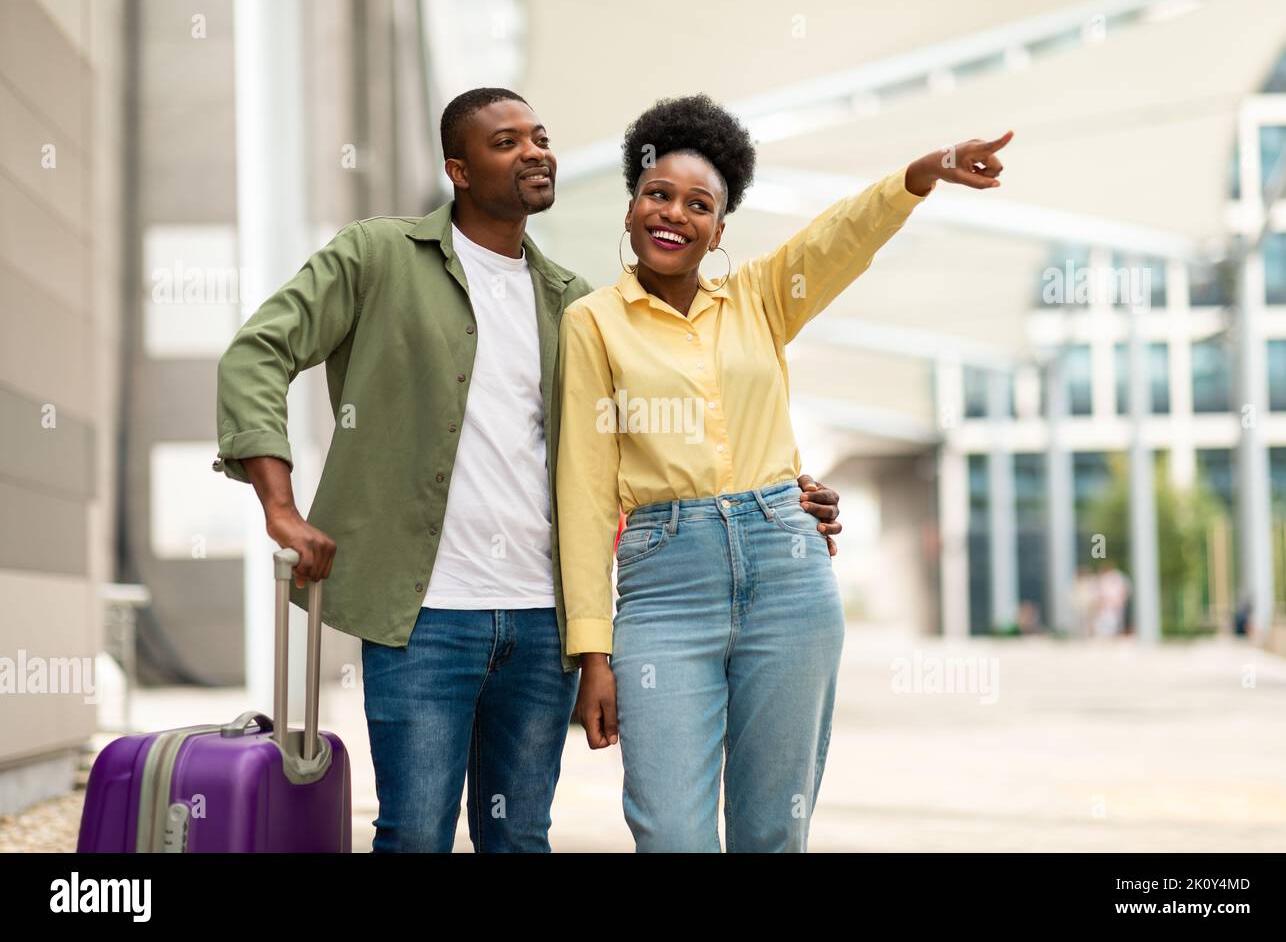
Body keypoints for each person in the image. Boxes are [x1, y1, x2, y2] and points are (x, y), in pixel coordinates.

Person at [214, 87, 847, 852]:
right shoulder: (378, 257)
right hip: (421, 619)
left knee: (518, 839)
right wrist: (279, 508)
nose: (536, 152)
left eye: (540, 137)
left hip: (542, 625)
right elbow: (258, 352)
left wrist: (780, 494)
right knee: (414, 834)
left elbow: (634, 452)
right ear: (458, 168)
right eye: (506, 142)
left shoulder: (574, 306)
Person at [557, 94, 1011, 851]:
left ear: (720, 229)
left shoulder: (762, 297)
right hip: (664, 587)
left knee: (774, 834)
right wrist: (592, 654)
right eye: (657, 194)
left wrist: (919, 176)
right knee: (670, 833)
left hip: (786, 570)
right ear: (632, 205)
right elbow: (581, 489)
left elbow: (841, 237)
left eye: (698, 204)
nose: (674, 213)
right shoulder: (593, 322)